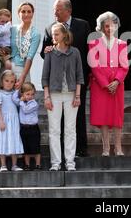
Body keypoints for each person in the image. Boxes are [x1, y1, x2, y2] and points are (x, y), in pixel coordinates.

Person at [41, 0, 91, 157]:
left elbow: (89, 51)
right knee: (59, 116)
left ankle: (81, 148)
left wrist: (88, 74)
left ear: (68, 11)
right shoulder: (50, 28)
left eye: (58, 9)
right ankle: (62, 149)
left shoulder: (83, 25)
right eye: (54, 9)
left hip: (77, 78)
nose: (55, 12)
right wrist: (48, 49)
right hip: (57, 80)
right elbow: (44, 52)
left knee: (78, 112)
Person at [42, 23, 84, 171]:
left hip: (71, 94)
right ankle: (56, 163)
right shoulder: (49, 53)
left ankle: (70, 162)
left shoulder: (75, 52)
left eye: (56, 34)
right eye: (53, 34)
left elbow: (80, 75)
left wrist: (77, 95)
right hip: (54, 95)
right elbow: (45, 77)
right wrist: (46, 97)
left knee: (70, 129)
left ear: (64, 35)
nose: (53, 37)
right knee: (54, 130)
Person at [88, 12, 129, 157]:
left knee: (116, 116)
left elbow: (124, 66)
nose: (109, 28)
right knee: (103, 116)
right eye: (106, 25)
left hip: (117, 85)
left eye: (112, 25)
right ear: (101, 27)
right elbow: (94, 66)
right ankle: (106, 148)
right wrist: (106, 84)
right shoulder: (94, 44)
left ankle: (118, 147)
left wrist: (117, 81)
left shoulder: (122, 44)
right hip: (100, 86)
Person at [0, 70, 24, 172]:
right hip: (3, 121)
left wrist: (18, 90)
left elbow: (19, 104)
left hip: (14, 122)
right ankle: (3, 165)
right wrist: (1, 122)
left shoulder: (15, 94)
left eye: (12, 81)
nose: (9, 83)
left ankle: (14, 165)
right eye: (7, 81)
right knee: (2, 141)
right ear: (2, 82)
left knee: (14, 141)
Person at [11, 2, 40, 90]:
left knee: (22, 100)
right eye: (23, 11)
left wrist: (23, 77)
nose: (26, 14)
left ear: (32, 14)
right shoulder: (11, 29)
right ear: (18, 13)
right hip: (7, 68)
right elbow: (2, 45)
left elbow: (30, 57)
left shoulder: (35, 34)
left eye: (29, 11)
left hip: (22, 70)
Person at [12, 82, 42, 170]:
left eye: (32, 94)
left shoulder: (34, 104)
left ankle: (38, 164)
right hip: (24, 128)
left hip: (33, 128)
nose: (30, 96)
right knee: (26, 148)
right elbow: (14, 99)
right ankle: (27, 165)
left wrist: (21, 101)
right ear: (23, 94)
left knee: (36, 147)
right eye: (27, 94)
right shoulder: (22, 102)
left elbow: (25, 110)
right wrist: (17, 89)